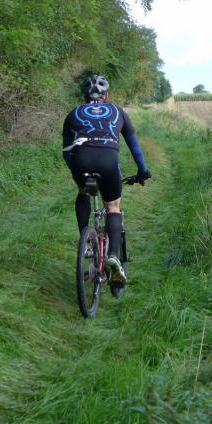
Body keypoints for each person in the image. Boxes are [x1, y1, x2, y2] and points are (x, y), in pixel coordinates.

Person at [62, 74, 152, 284]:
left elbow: (66, 151)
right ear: (106, 95)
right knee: (113, 206)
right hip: (108, 161)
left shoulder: (73, 113)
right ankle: (112, 256)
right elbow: (134, 146)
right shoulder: (117, 112)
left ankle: (85, 241)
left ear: (84, 97)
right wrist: (143, 170)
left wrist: (76, 169)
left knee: (83, 192)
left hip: (81, 160)